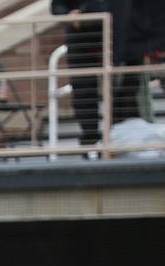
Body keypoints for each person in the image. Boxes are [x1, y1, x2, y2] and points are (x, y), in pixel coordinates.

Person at [50, 0, 107, 155]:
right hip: (79, 39)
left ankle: (118, 137)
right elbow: (57, 6)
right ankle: (90, 140)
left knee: (119, 88)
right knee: (83, 93)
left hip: (111, 36)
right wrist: (70, 15)